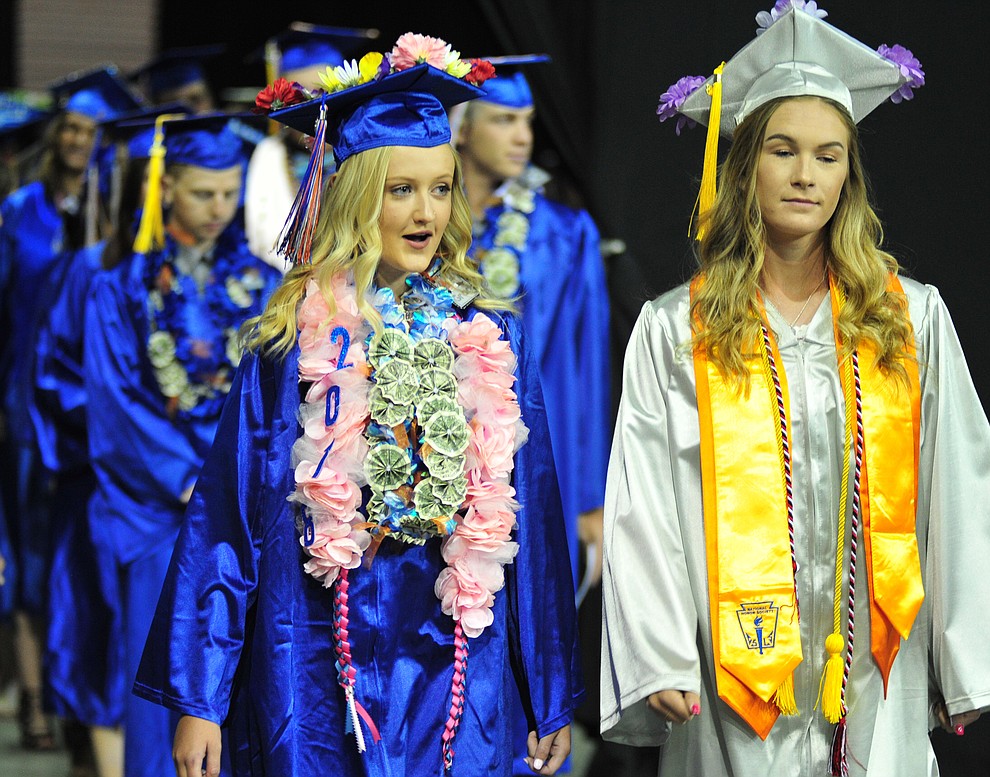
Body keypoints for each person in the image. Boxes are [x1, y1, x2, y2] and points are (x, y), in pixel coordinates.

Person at [133, 34, 582, 777]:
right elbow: (228, 523)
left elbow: (530, 518)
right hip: (313, 656)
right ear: (354, 197)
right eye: (399, 189)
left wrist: (551, 688)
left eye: (441, 187)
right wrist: (199, 699)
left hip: (459, 655)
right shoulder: (290, 347)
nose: (425, 211)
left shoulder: (491, 338)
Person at [600, 3, 989, 776]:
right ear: (745, 166)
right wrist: (662, 652)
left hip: (880, 668)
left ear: (850, 172)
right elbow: (642, 501)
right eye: (783, 151)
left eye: (829, 155)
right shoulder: (676, 329)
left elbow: (958, 487)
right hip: (727, 676)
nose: (806, 175)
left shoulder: (909, 319)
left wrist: (964, 653)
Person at [82, 112, 282, 777]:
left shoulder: (262, 286)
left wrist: (243, 480)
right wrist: (188, 478)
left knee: (242, 681)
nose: (220, 209)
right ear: (165, 188)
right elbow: (115, 404)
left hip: (245, 514)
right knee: (166, 687)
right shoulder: (121, 288)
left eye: (230, 193)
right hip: (162, 516)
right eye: (203, 193)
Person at [452, 55, 615, 775]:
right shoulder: (427, 219)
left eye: (527, 121)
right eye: (503, 119)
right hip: (444, 468)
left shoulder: (561, 231)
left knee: (526, 634)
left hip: (531, 464)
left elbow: (582, 367)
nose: (521, 136)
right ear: (462, 128)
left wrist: (588, 498)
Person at [0, 65, 143, 755]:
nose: (81, 140)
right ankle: (35, 700)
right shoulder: (21, 209)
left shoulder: (115, 211)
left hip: (93, 415)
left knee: (86, 562)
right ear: (59, 133)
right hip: (26, 403)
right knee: (30, 557)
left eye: (94, 131)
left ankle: (85, 711)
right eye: (74, 128)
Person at [244, 22, 378, 270]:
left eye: (323, 95)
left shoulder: (366, 152)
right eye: (297, 97)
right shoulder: (269, 155)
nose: (312, 109)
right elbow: (259, 241)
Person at [128, 46, 224, 115]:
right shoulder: (150, 141)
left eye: (195, 99)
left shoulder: (233, 135)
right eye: (175, 105)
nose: (190, 111)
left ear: (210, 98)